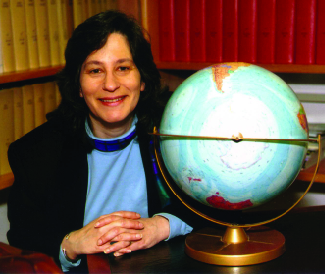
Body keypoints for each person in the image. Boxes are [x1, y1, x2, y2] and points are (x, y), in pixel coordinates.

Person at [7, 10, 193, 272]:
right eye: (95, 70)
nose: (110, 84)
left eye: (123, 68)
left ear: (142, 80)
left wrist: (161, 225)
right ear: (79, 86)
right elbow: (23, 243)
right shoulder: (36, 153)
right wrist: (69, 245)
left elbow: (213, 207)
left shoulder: (176, 135)